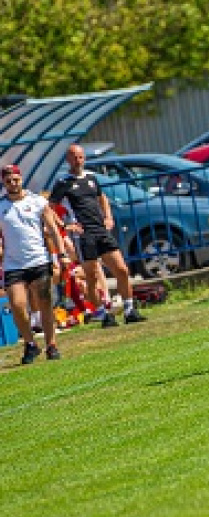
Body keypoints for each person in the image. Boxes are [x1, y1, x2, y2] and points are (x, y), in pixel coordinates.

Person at [49, 145, 146, 327]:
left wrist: (108, 217)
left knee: (122, 270)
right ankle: (103, 314)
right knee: (92, 276)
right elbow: (49, 208)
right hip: (84, 235)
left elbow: (102, 198)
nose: (78, 161)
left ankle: (129, 309)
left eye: (80, 157)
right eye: (74, 157)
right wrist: (65, 225)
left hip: (101, 230)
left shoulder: (91, 178)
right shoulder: (63, 183)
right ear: (68, 160)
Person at [0, 164, 68, 364]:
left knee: (45, 302)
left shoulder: (37, 201)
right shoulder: (1, 206)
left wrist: (61, 254)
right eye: (8, 181)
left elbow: (53, 230)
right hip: (14, 264)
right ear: (3, 183)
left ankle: (51, 344)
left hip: (38, 259)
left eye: (16, 180)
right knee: (18, 304)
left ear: (21, 179)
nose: (13, 183)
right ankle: (30, 343)